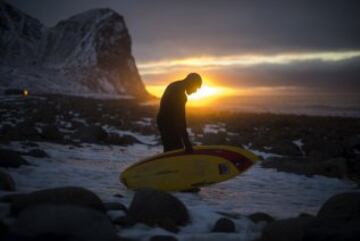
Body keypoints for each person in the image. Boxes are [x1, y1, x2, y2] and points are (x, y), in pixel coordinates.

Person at [157, 73, 202, 152]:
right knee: (175, 152)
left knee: (170, 150)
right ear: (191, 83)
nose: (195, 92)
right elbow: (180, 119)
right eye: (196, 88)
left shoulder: (174, 85)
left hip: (164, 124)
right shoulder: (180, 94)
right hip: (169, 127)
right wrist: (187, 144)